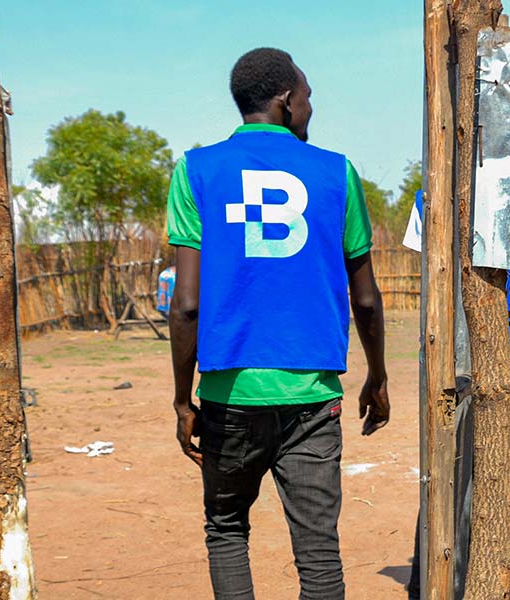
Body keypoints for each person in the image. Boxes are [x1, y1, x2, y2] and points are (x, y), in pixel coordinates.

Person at [165, 47, 391, 600]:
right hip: (312, 398)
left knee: (225, 531)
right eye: (308, 97)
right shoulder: (336, 172)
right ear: (287, 101)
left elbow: (187, 304)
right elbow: (365, 298)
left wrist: (182, 399)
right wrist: (377, 377)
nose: (311, 108)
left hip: (228, 394)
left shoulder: (196, 171)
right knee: (318, 552)